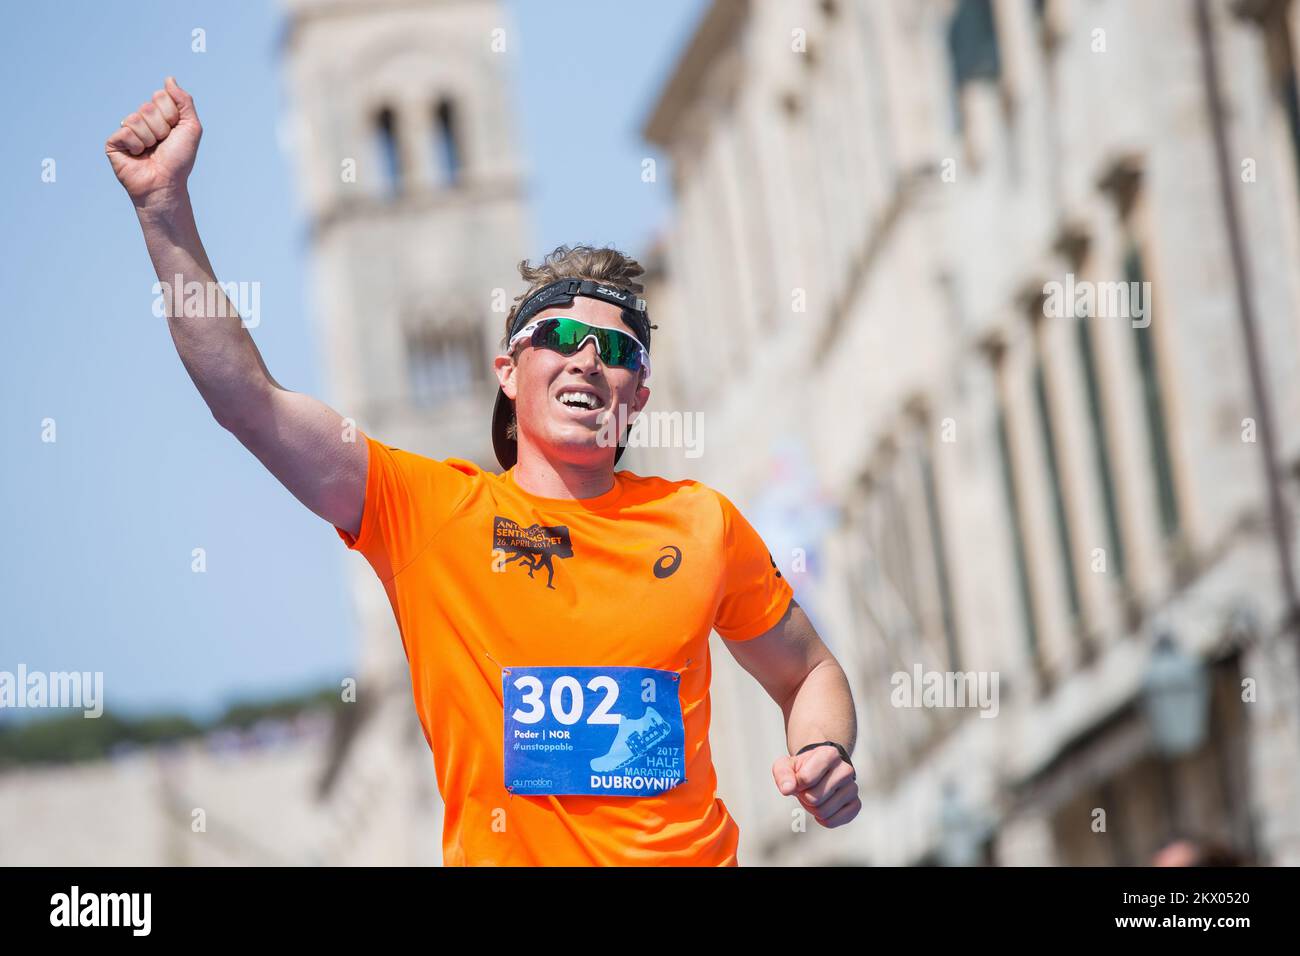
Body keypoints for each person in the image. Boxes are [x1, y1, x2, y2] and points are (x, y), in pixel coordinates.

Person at [106, 78, 860, 866]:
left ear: (637, 394)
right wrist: (165, 215)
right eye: (562, 334)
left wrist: (826, 754)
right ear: (508, 371)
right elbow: (250, 404)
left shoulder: (702, 523)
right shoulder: (430, 512)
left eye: (617, 352)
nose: (588, 360)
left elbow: (808, 670)